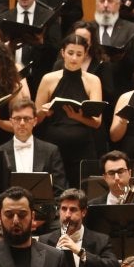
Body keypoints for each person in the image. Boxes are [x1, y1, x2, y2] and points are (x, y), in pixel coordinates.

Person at [35, 33, 104, 187]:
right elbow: (35, 119)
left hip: (82, 147)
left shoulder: (93, 81)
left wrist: (76, 116)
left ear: (85, 55)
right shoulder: (48, 79)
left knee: (83, 191)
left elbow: (97, 122)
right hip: (53, 146)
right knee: (54, 191)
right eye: (70, 53)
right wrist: (43, 112)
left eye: (79, 54)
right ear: (62, 53)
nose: (74, 58)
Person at [0, 96, 67, 199]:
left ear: (35, 121)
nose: (22, 123)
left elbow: (60, 191)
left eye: (27, 119)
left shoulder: (51, 151)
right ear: (11, 121)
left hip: (42, 212)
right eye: (17, 118)